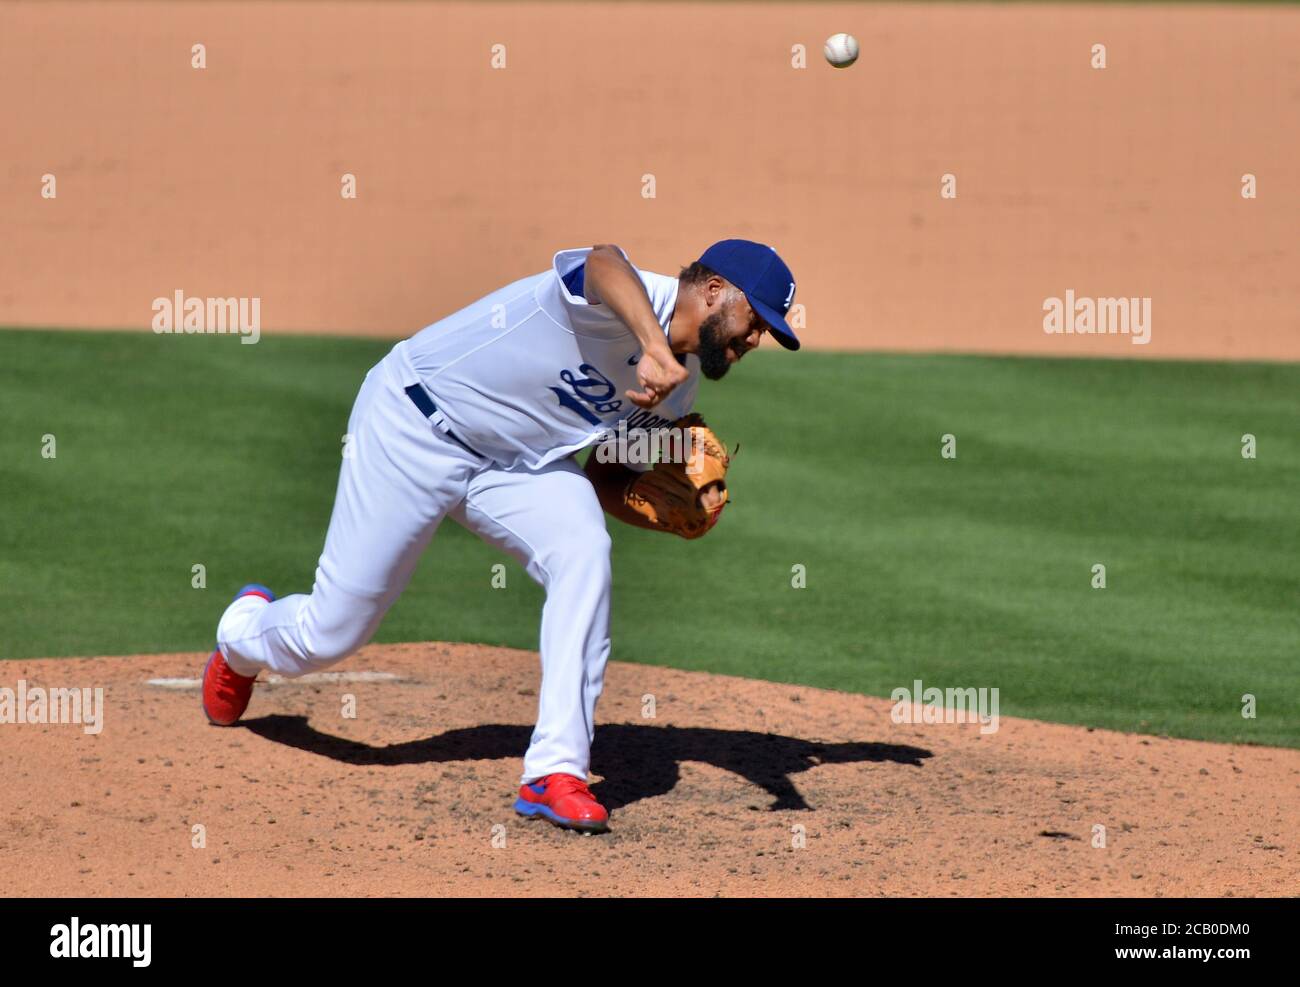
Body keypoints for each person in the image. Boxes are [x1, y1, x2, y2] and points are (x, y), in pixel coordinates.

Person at [202, 239, 799, 833]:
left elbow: (606, 478)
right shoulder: (624, 293)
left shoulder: (681, 392)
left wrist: (673, 517)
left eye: (767, 332)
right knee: (330, 633)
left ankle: (554, 773)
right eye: (755, 321)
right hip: (413, 424)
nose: (755, 339)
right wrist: (651, 345)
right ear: (714, 291)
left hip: (515, 468)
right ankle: (241, 635)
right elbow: (601, 259)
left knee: (584, 550)